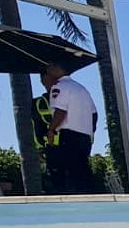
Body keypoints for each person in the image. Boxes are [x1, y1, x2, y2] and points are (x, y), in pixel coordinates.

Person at [41, 63, 102, 194]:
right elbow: (94, 114)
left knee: (66, 172)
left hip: (69, 135)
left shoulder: (59, 87)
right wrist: (89, 130)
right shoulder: (81, 89)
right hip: (85, 136)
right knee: (82, 171)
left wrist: (51, 130)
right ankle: (89, 197)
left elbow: (61, 111)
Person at [30, 86, 60, 192]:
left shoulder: (38, 103)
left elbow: (36, 128)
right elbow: (36, 127)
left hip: (53, 147)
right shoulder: (38, 104)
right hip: (53, 147)